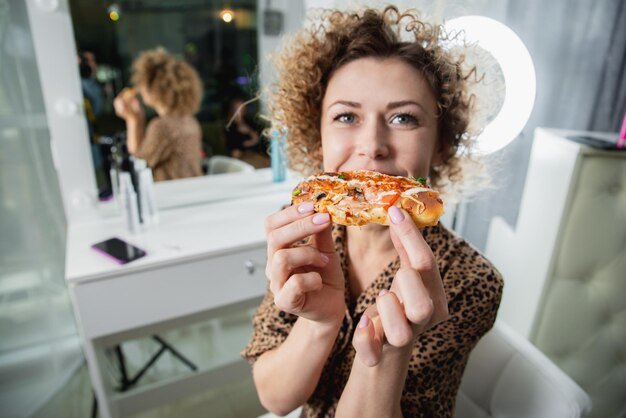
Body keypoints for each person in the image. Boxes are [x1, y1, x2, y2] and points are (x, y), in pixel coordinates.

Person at [242, 6, 504, 418]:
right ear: (318, 141)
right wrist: (319, 324)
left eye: (403, 118)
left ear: (441, 145)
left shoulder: (472, 282)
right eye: (346, 116)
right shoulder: (301, 232)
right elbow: (275, 399)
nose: (372, 144)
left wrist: (387, 356)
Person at [113, 48, 203, 182]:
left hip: (171, 194)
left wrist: (132, 120)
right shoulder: (190, 121)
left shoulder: (162, 126)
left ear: (154, 88)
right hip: (193, 188)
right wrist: (137, 117)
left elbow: (139, 163)